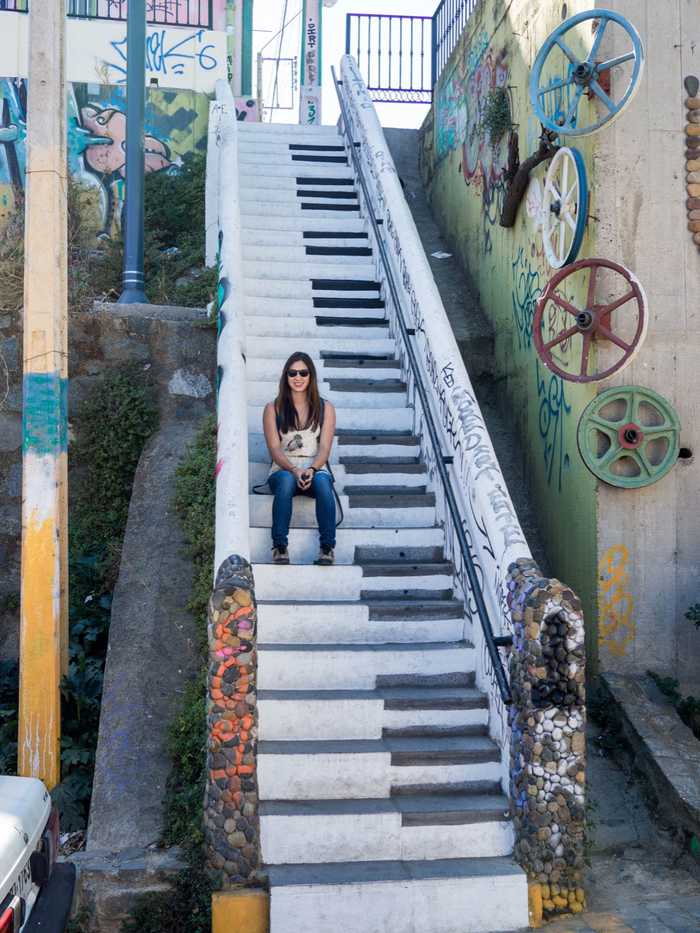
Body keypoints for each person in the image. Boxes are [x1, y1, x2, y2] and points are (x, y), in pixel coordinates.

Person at [263, 351, 337, 566]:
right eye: (292, 373)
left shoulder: (326, 408)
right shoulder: (272, 408)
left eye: (303, 373)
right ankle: (279, 546)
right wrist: (294, 470)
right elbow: (274, 450)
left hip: (314, 467)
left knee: (324, 483)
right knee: (286, 481)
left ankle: (327, 547)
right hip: (283, 469)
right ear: (286, 377)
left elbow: (324, 447)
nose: (298, 377)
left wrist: (312, 470)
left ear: (311, 376)